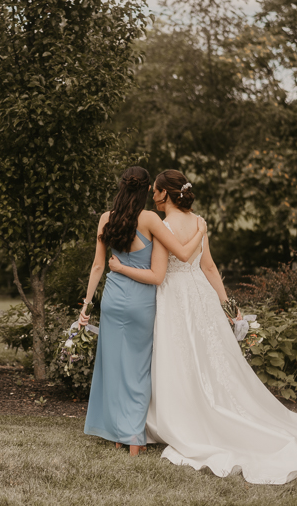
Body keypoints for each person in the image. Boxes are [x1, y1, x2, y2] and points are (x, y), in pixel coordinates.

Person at [108, 169, 297, 488]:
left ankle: (179, 420)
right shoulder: (199, 221)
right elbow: (207, 266)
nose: (153, 196)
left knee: (177, 358)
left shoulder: (162, 227)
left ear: (165, 194)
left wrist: (122, 269)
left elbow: (169, 267)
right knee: (209, 359)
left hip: (175, 297)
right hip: (201, 297)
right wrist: (226, 303)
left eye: (156, 191)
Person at [80, 166, 206, 456]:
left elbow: (98, 266)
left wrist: (86, 305)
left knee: (113, 367)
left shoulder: (105, 219)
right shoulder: (150, 219)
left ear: (121, 186)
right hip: (141, 301)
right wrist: (200, 231)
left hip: (112, 298)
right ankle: (134, 440)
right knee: (137, 371)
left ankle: (116, 436)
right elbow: (184, 254)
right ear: (148, 189)